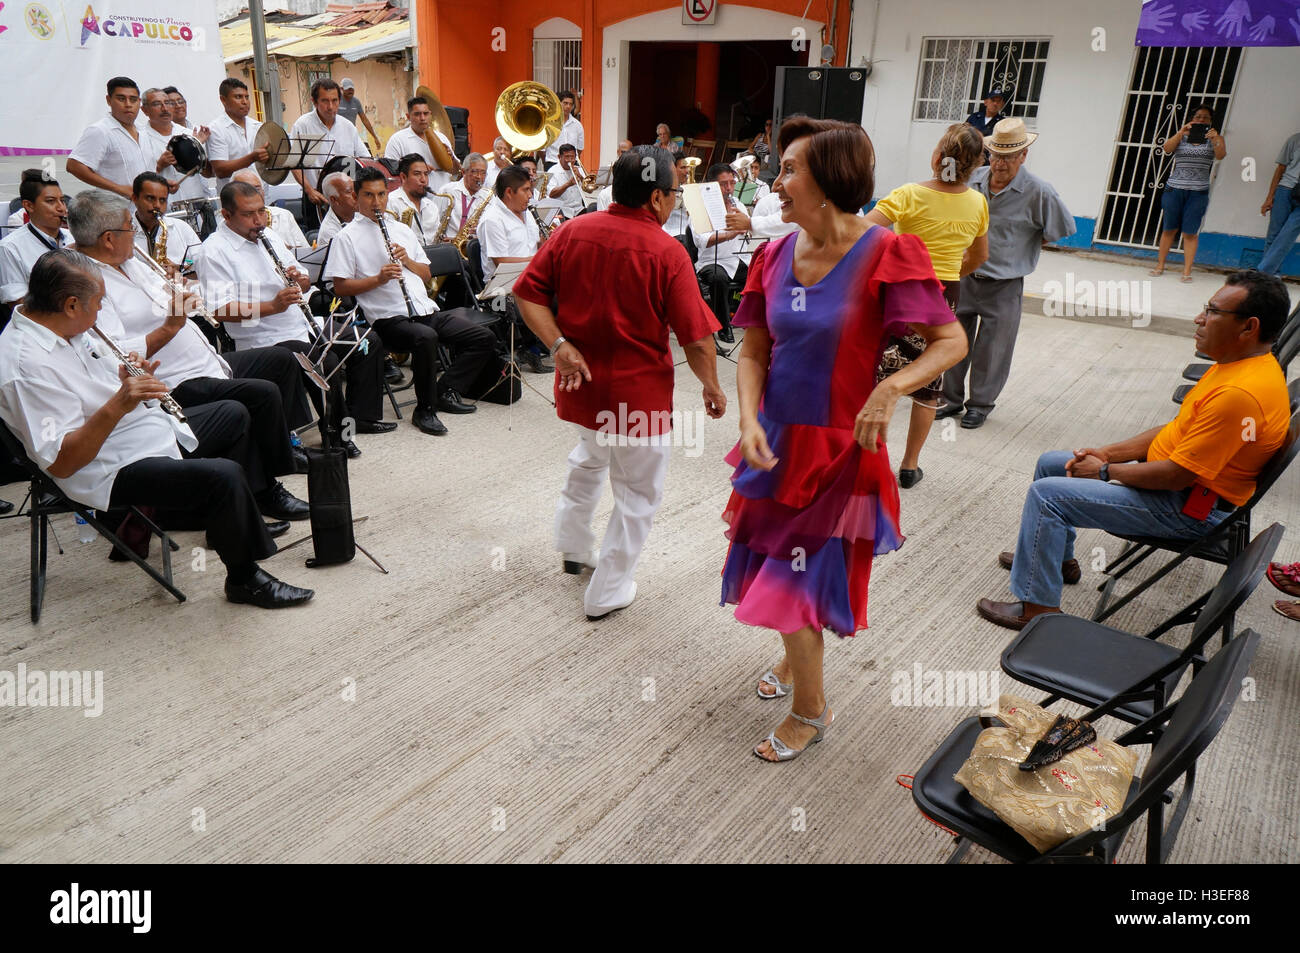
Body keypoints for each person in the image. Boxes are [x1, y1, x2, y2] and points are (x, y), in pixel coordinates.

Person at [721, 117, 966, 762]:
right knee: (778, 562)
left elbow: (950, 341)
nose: (776, 181)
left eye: (789, 169)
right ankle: (795, 663)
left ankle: (812, 709)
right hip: (775, 444)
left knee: (795, 581)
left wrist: (889, 390)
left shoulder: (889, 252)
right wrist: (748, 419)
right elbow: (752, 352)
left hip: (841, 452)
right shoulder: (772, 256)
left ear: (828, 181)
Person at [977, 270, 1291, 630]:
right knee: (1053, 463)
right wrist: (1107, 454)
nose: (1199, 319)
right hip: (1182, 492)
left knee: (1047, 496)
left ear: (1248, 328)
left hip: (1189, 508)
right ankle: (1054, 561)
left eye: (1212, 311)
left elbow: (1177, 476)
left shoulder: (1241, 395)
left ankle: (1037, 608)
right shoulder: (1238, 365)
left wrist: (1104, 472)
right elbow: (1176, 429)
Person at [0, 250, 315, 608]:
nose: (101, 311)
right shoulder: (26, 366)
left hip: (136, 431)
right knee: (222, 475)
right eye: (98, 303)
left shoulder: (59, 323)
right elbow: (62, 464)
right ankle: (245, 578)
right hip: (104, 467)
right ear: (71, 305)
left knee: (234, 413)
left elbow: (89, 378)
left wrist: (121, 374)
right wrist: (121, 401)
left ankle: (228, 522)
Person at [513, 145, 726, 619]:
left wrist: (558, 345)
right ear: (655, 198)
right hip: (637, 398)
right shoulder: (667, 252)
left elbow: (527, 294)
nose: (675, 200)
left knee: (588, 459)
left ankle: (572, 546)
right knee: (637, 495)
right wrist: (712, 386)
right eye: (674, 192)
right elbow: (696, 340)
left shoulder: (573, 231)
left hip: (583, 388)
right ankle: (607, 591)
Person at [68, 190, 310, 517]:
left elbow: (188, 302)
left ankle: (275, 457)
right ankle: (267, 489)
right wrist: (169, 326)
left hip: (208, 361)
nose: (137, 235)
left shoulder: (133, 261)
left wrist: (181, 288)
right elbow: (113, 353)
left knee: (281, 361)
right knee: (260, 394)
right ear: (109, 239)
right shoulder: (88, 283)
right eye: (130, 228)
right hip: (176, 379)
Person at [198, 181, 390, 455]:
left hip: (300, 322)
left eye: (261, 212)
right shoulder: (213, 251)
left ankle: (360, 416)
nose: (259, 220)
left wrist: (300, 280)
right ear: (226, 216)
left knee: (365, 342)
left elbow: (301, 278)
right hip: (263, 336)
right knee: (326, 362)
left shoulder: (269, 236)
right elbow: (219, 310)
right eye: (249, 214)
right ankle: (337, 434)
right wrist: (272, 306)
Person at [326, 168, 496, 436]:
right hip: (387, 319)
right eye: (368, 195)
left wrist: (407, 261)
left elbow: (426, 273)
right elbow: (340, 287)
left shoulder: (401, 230)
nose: (376, 202)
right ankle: (424, 411)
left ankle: (442, 391)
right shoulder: (346, 237)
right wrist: (378, 279)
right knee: (425, 337)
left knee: (483, 336)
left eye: (381, 194)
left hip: (424, 310)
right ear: (357, 198)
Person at [865, 123, 989, 488]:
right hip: (943, 298)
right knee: (928, 384)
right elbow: (980, 256)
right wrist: (950, 273)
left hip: (899, 294)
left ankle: (870, 456)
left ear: (937, 157)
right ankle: (909, 465)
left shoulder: (907, 194)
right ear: (975, 166)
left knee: (872, 373)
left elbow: (865, 233)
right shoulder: (978, 202)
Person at [938, 117, 1074, 429]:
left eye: (1009, 156)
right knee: (953, 340)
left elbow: (1060, 228)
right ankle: (950, 398)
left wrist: (1023, 247)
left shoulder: (1039, 191)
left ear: (1023, 156)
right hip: (963, 276)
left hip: (1005, 284)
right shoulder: (971, 180)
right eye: (996, 155)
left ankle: (980, 405)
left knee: (993, 348)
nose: (1000, 164)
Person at [478, 165, 552, 374]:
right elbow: (501, 261)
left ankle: (545, 343)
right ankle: (529, 347)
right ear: (509, 192)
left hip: (529, 277)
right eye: (526, 190)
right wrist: (539, 258)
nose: (531, 195)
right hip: (502, 287)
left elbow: (534, 245)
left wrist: (546, 244)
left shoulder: (526, 212)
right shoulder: (492, 219)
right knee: (538, 300)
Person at [1150, 103, 1226, 282]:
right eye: (1198, 116)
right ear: (1192, 119)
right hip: (1174, 189)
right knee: (1169, 229)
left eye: (1205, 118)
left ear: (1211, 121)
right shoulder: (1182, 137)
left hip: (1197, 193)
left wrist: (1215, 138)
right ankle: (1160, 265)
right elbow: (1167, 149)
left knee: (1190, 233)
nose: (1201, 120)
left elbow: (1221, 155)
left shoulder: (1215, 138)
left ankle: (1186, 271)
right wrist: (1180, 132)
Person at [291, 79, 371, 232]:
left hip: (347, 200)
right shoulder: (303, 125)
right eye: (325, 101)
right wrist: (310, 191)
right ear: (314, 101)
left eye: (335, 101)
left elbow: (364, 159)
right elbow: (294, 164)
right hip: (316, 199)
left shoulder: (348, 126)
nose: (331, 107)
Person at [67, 77, 151, 199]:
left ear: (139, 102)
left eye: (133, 100)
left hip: (145, 208)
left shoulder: (144, 131)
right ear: (109, 100)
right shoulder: (100, 130)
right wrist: (119, 189)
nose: (128, 104)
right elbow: (74, 166)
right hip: (116, 210)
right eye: (121, 99)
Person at [694, 163, 749, 345]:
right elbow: (702, 240)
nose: (729, 189)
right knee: (718, 278)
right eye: (724, 184)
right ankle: (723, 327)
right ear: (712, 185)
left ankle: (753, 320)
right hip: (710, 261)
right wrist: (731, 233)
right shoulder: (700, 208)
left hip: (736, 257)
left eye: (732, 183)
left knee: (763, 271)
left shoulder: (738, 204)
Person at [0, 173, 71, 309]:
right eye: (51, 201)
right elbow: (18, 304)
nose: (61, 208)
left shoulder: (73, 238)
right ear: (29, 205)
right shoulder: (10, 247)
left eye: (62, 200)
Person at [139, 87, 210, 205]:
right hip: (164, 207)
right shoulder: (140, 138)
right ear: (145, 110)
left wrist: (195, 150)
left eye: (167, 103)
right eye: (157, 104)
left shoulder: (188, 134)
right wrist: (159, 166)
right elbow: (136, 179)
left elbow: (207, 173)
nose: (164, 108)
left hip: (195, 204)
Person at [384, 96, 460, 194]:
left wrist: (452, 159)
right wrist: (416, 168)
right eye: (417, 114)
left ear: (430, 114)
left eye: (426, 113)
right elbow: (389, 172)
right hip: (413, 198)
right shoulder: (397, 140)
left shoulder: (442, 138)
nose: (423, 118)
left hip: (444, 197)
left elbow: (455, 172)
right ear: (408, 116)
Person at [130, 172, 201, 273]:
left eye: (162, 200)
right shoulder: (123, 232)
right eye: (150, 198)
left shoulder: (181, 227)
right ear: (135, 198)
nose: (157, 205)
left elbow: (201, 262)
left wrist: (180, 267)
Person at [206, 78, 269, 191]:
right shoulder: (216, 129)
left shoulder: (258, 126)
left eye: (247, 97)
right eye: (238, 97)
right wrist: (252, 158)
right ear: (223, 100)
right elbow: (220, 170)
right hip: (233, 199)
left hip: (261, 194)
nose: (245, 102)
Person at [1257, 129, 1300, 277]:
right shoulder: (1295, 140)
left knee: (1287, 235)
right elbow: (1280, 168)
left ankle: (1263, 274)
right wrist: (1270, 197)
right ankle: (1273, 276)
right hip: (1285, 190)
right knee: (1273, 234)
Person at [231, 170, 309, 249]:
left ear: (263, 191)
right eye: (246, 190)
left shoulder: (284, 214)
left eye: (257, 189)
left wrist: (286, 252)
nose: (253, 194)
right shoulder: (232, 222)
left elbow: (306, 252)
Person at [386, 154, 444, 244]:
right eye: (417, 174)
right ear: (403, 177)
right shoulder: (391, 202)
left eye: (426, 174)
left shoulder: (431, 206)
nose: (424, 180)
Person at [444, 153, 491, 236]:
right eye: (474, 171)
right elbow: (436, 224)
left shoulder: (489, 197)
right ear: (463, 172)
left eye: (483, 173)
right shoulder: (447, 191)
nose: (479, 177)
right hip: (448, 245)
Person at [337, 78, 380, 155]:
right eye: (348, 89)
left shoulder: (356, 102)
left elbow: (364, 119)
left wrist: (375, 137)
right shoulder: (336, 101)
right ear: (342, 89)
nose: (350, 91)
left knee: (364, 156)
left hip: (351, 135)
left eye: (352, 89)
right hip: (338, 135)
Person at [544, 90, 584, 167]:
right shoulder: (548, 123)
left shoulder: (578, 125)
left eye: (571, 104)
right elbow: (542, 149)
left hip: (572, 164)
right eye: (565, 103)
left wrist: (571, 159)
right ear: (559, 104)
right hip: (552, 162)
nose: (568, 106)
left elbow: (579, 148)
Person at [315, 172, 357, 247]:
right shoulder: (329, 232)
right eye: (349, 192)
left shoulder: (367, 211)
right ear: (334, 200)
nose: (356, 195)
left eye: (356, 189)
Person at [547, 144, 587, 220]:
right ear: (559, 157)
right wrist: (568, 184)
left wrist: (581, 177)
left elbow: (589, 190)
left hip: (579, 209)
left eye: (572, 157)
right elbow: (552, 194)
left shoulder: (579, 169)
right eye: (567, 157)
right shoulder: (553, 171)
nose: (570, 160)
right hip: (562, 211)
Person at [596, 140, 634, 211]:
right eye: (623, 152)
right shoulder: (609, 168)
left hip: (628, 198)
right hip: (611, 197)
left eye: (628, 152)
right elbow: (602, 187)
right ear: (618, 152)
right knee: (602, 196)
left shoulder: (636, 168)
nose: (625, 155)